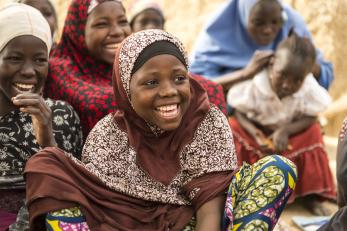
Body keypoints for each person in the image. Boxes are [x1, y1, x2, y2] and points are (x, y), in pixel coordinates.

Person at [24, 29, 297, 231]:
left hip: (193, 223)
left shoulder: (206, 120)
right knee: (47, 168)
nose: (169, 91)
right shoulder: (108, 134)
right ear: (125, 90)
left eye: (179, 78)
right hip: (127, 227)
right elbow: (104, 209)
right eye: (151, 83)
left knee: (278, 169)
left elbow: (209, 201)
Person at [45, 0, 227, 139]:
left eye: (122, 22)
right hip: (105, 170)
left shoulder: (130, 62)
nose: (117, 31)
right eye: (102, 24)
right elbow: (98, 103)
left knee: (208, 89)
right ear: (77, 29)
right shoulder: (61, 67)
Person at [227, 33, 335, 216]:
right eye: (282, 75)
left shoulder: (309, 89)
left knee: (314, 132)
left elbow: (312, 115)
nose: (287, 85)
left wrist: (286, 130)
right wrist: (254, 132)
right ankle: (242, 190)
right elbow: (238, 111)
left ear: (307, 76)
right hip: (259, 138)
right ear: (272, 65)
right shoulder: (256, 84)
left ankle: (309, 196)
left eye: (297, 80)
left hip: (289, 139)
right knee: (233, 126)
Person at [0, 3, 83, 230]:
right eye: (15, 58)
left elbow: (70, 196)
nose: (29, 70)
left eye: (39, 60)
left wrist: (47, 138)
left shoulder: (62, 117)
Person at [190, 0, 334, 91]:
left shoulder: (292, 23)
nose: (267, 30)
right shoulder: (220, 31)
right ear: (245, 16)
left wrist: (301, 63)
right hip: (234, 119)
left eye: (275, 22)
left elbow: (325, 75)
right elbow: (193, 86)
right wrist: (244, 74)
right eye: (258, 22)